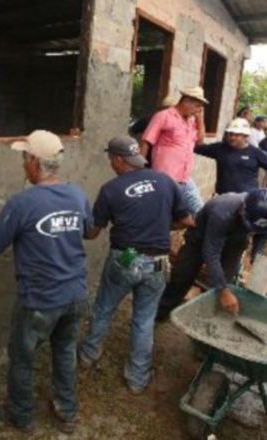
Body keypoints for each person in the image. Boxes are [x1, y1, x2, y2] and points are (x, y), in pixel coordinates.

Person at [0, 130, 91, 434]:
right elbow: (89, 231)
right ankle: (67, 413)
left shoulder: (22, 203)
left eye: (25, 158)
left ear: (35, 163)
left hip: (40, 299)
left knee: (22, 358)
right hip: (75, 294)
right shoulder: (77, 194)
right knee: (64, 349)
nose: (23, 164)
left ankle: (21, 416)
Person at [79, 136, 193, 394]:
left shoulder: (111, 189)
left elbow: (93, 233)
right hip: (157, 263)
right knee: (143, 319)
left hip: (125, 259)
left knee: (104, 308)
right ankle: (137, 379)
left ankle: (88, 355)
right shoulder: (165, 181)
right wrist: (162, 225)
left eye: (111, 159)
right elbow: (186, 220)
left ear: (119, 160)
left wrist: (80, 224)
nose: (110, 163)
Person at [156, 189, 267, 321]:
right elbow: (211, 253)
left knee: (226, 278)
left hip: (236, 239)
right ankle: (159, 314)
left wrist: (257, 256)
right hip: (201, 238)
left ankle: (206, 318)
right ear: (244, 210)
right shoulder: (222, 211)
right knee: (183, 275)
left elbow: (263, 235)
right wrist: (223, 291)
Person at [141, 86, 207, 215]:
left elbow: (200, 140)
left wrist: (200, 119)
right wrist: (138, 173)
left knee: (201, 213)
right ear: (186, 101)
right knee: (162, 214)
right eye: (197, 106)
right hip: (165, 178)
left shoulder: (191, 121)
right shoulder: (163, 116)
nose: (198, 110)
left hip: (185, 178)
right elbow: (146, 142)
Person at [194, 118, 267, 194]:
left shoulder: (255, 152)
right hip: (224, 198)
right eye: (230, 134)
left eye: (237, 135)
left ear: (246, 136)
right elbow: (197, 147)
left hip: (247, 200)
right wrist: (199, 119)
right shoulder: (219, 148)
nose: (232, 137)